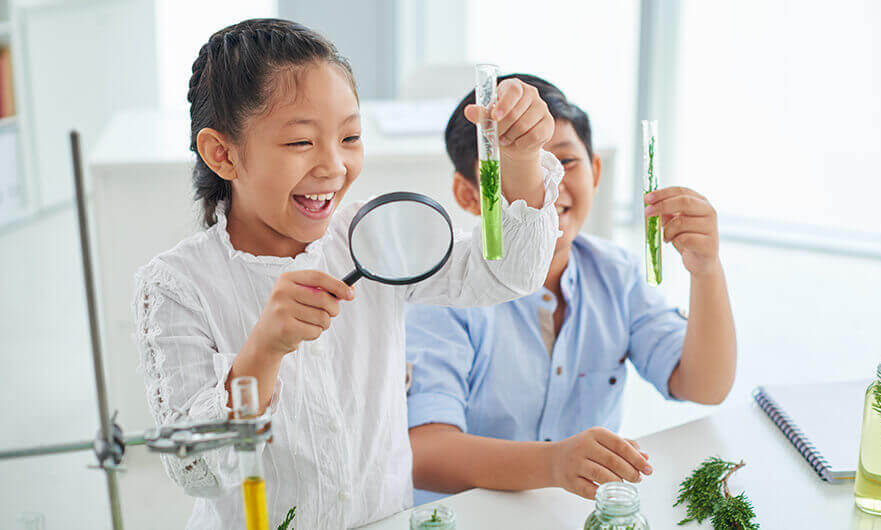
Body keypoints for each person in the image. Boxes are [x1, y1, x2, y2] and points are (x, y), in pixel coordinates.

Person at [132, 21, 563, 528]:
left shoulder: (374, 235)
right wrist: (264, 350)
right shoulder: (175, 286)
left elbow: (508, 274)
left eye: (350, 137)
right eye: (300, 143)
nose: (334, 166)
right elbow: (198, 472)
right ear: (222, 153)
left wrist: (520, 157)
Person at [406, 74, 737, 504]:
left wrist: (706, 269)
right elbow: (425, 452)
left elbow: (704, 386)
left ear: (596, 171)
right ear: (469, 195)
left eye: (565, 161)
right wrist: (552, 464)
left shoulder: (616, 274)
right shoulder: (446, 290)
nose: (550, 186)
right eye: (519, 165)